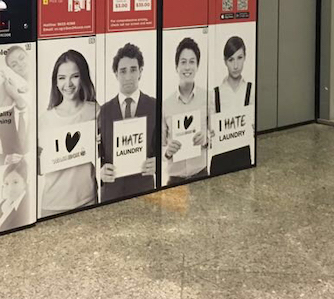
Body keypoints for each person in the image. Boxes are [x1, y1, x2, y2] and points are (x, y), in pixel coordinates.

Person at [38, 50, 99, 217]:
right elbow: (37, 168)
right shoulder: (44, 120)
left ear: (83, 78)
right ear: (55, 82)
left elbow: (104, 153)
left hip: (87, 199)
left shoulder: (94, 110)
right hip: (52, 203)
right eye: (62, 77)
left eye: (75, 76)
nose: (68, 83)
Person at [99, 43, 158, 201]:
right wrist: (101, 171)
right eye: (123, 71)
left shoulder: (155, 106)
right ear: (116, 74)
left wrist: (158, 163)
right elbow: (97, 153)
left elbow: (162, 144)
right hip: (112, 192)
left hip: (144, 189)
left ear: (140, 72)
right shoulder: (102, 112)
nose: (128, 77)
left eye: (133, 70)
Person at [162, 37, 208, 185]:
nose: (187, 67)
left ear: (197, 66)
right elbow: (160, 146)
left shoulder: (208, 98)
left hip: (201, 174)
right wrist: (168, 151)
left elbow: (216, 134)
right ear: (177, 67)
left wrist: (206, 138)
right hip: (174, 179)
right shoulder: (166, 105)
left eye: (192, 62)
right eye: (183, 62)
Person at [210, 36, 254, 175]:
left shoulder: (251, 90)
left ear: (245, 57)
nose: (236, 65)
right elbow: (209, 129)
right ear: (225, 62)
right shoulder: (215, 93)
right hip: (220, 157)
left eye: (239, 58)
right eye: (231, 60)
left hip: (243, 155)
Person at [0, 160, 30, 235]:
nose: (10, 189)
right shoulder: (4, 204)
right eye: (6, 183)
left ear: (25, 183)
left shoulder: (27, 207)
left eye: (15, 182)